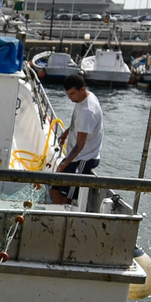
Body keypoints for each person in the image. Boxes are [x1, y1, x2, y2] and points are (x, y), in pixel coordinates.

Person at [50, 74, 103, 206]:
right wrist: (66, 133)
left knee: (65, 196)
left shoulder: (87, 111)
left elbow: (80, 145)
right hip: (74, 156)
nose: (70, 98)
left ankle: (63, 219)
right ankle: (58, 213)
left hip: (84, 158)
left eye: (72, 94)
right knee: (54, 188)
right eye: (68, 94)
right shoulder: (84, 98)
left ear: (82, 89)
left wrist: (64, 163)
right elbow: (77, 124)